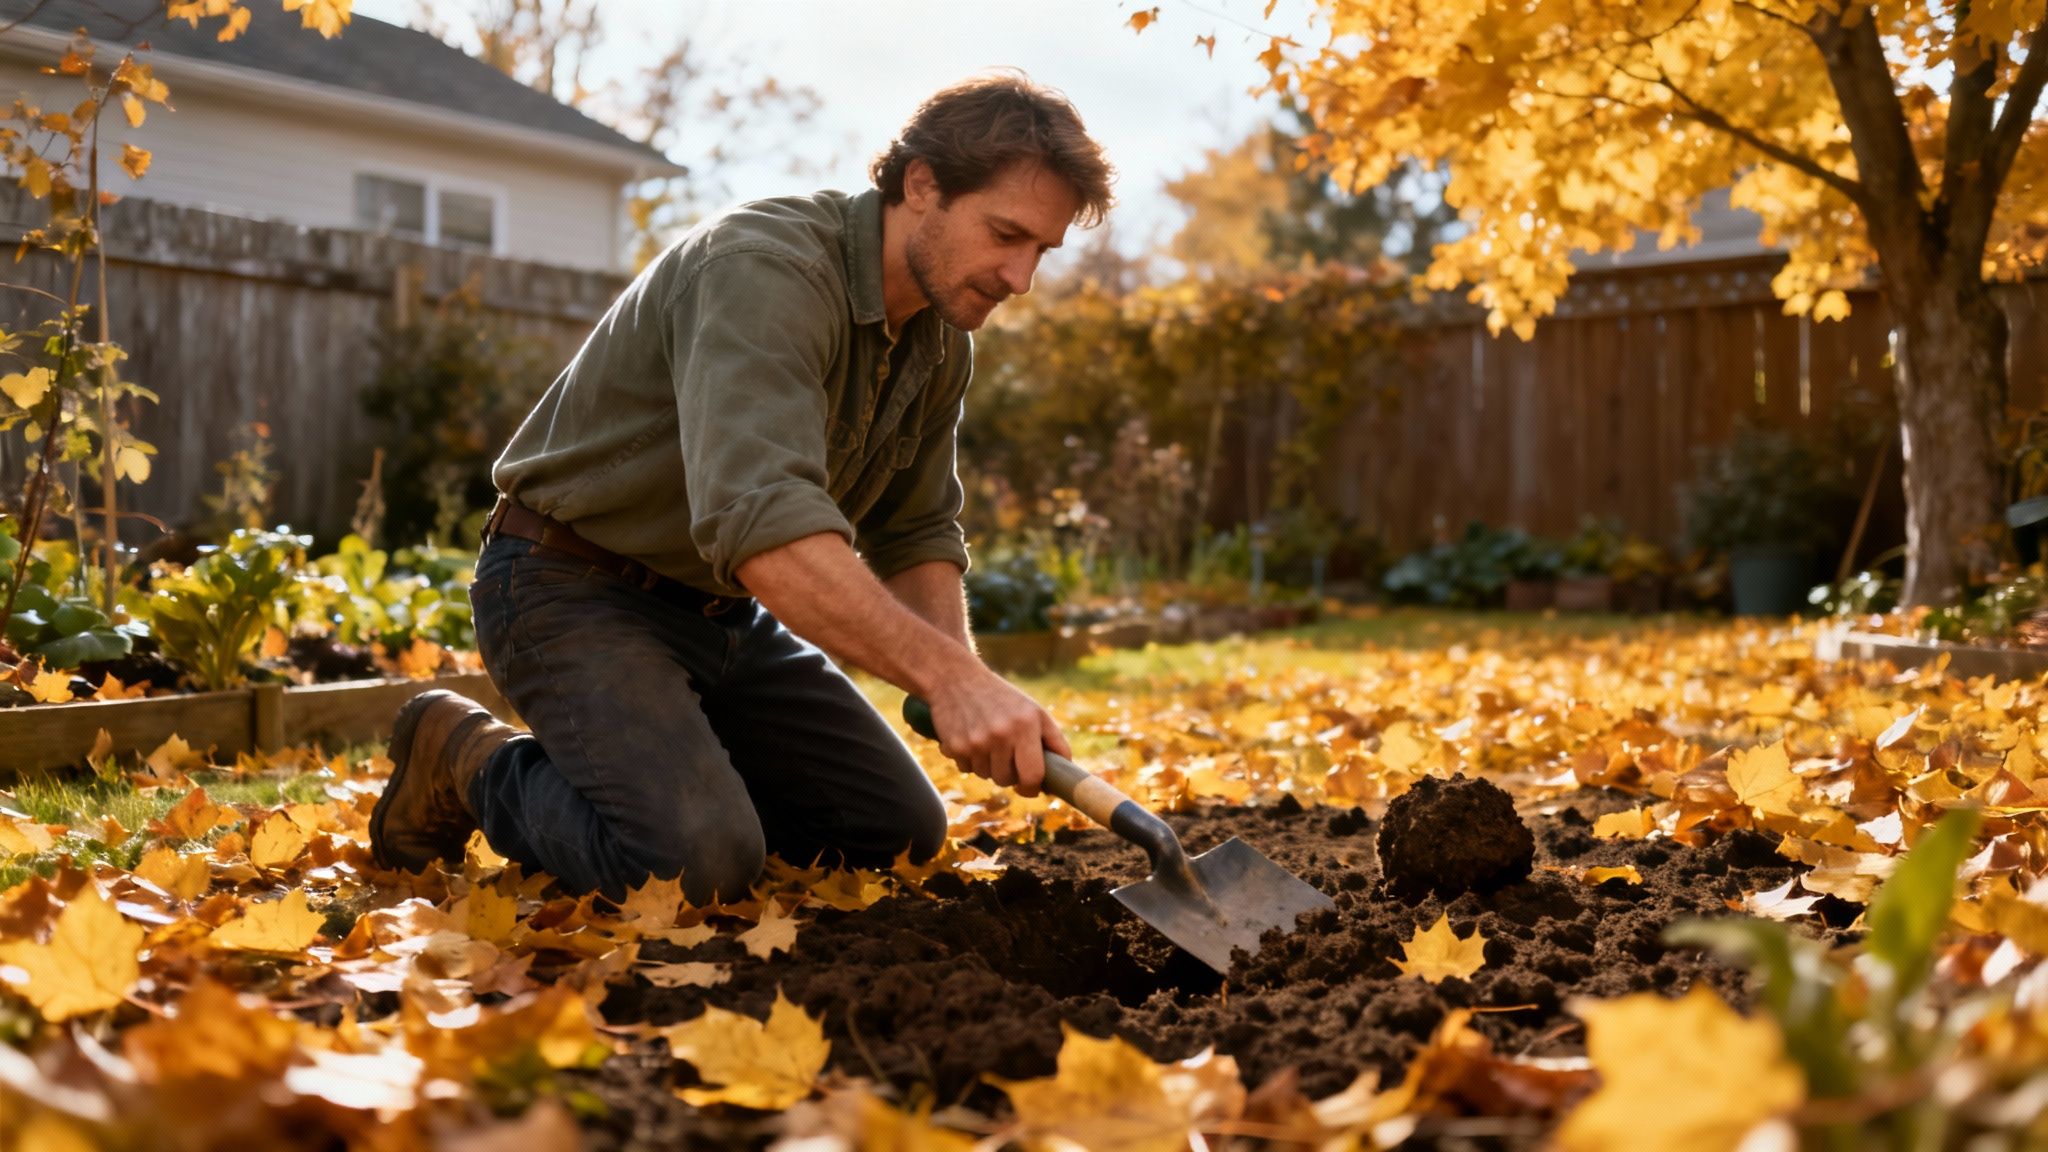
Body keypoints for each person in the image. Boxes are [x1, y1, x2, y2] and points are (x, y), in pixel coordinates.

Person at [368, 72, 1115, 906]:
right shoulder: (766, 271)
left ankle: (682, 786)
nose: (1020, 278)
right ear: (922, 184)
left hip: (719, 617)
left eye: (1040, 250)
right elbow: (763, 528)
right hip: (566, 587)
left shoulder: (940, 341)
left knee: (894, 833)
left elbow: (917, 532)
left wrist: (961, 685)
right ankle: (466, 754)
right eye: (1006, 234)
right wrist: (951, 681)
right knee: (695, 866)